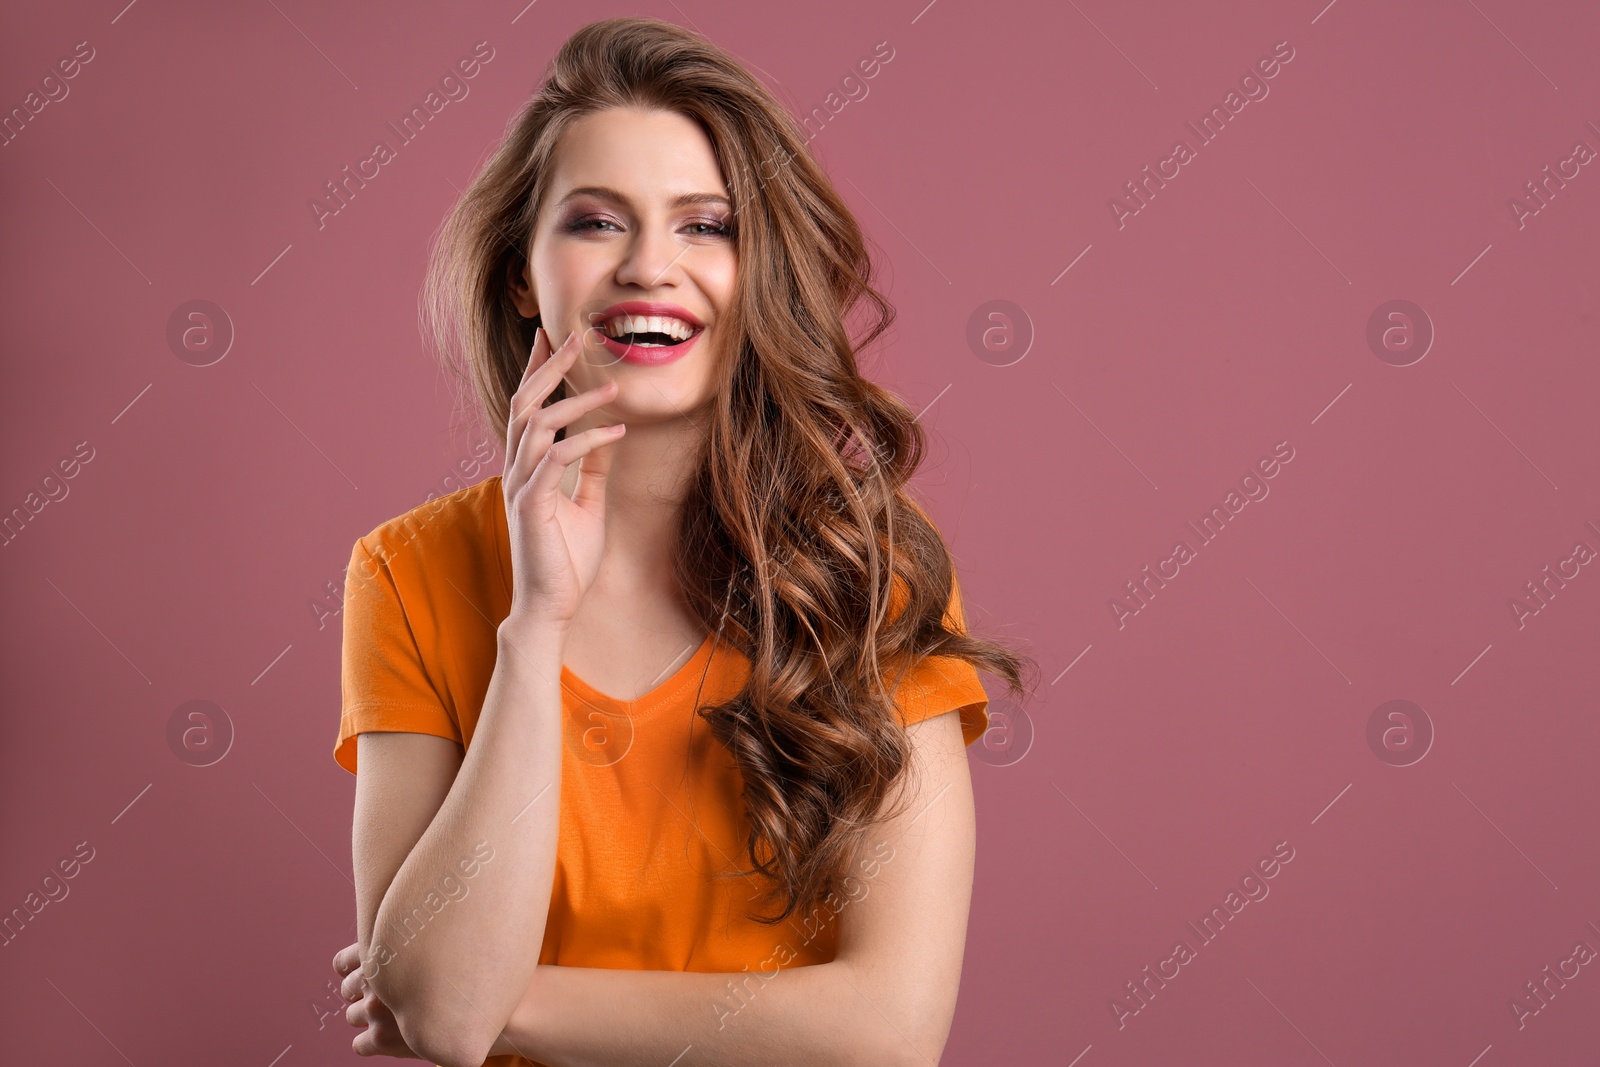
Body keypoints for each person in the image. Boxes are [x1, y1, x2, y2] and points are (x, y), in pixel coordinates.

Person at [328, 15, 1033, 1067]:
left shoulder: (865, 567)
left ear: (760, 272)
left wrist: (496, 1001)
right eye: (596, 222)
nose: (651, 267)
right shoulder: (406, 572)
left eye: (706, 226)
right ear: (525, 273)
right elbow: (434, 1010)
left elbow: (886, 1032)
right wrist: (535, 625)